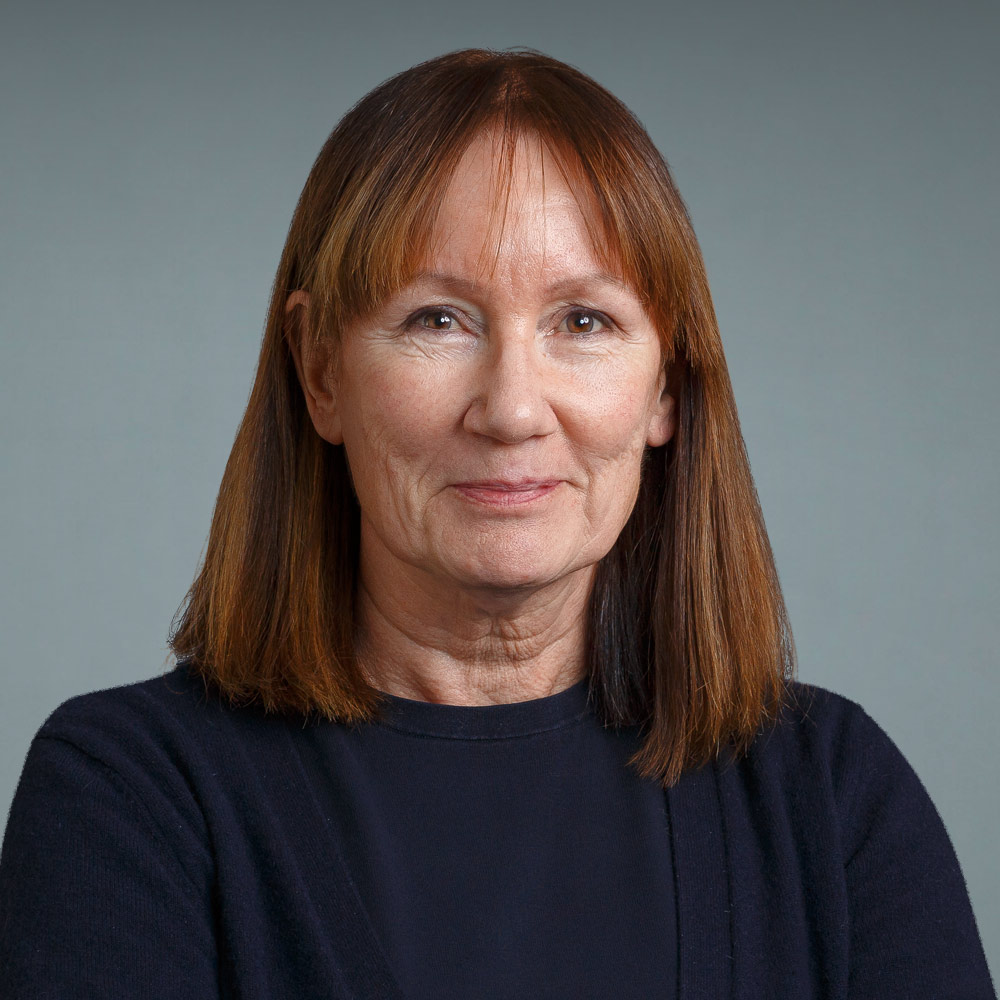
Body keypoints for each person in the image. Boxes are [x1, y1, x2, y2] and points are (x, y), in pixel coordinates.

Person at [0, 47, 994, 999]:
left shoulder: (831, 797)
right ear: (320, 370)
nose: (513, 409)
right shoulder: (126, 795)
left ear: (666, 387)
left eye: (583, 321)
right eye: (438, 319)